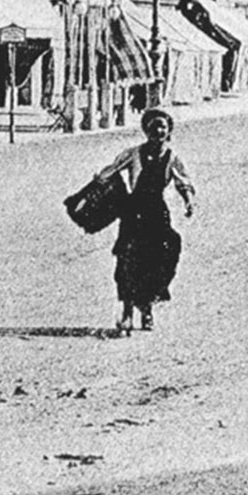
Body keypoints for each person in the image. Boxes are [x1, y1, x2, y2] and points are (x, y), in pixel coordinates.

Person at [97, 107, 196, 335]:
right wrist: (101, 182)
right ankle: (127, 312)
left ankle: (147, 307)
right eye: (153, 127)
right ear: (146, 131)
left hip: (157, 215)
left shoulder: (172, 158)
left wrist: (188, 202)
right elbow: (111, 171)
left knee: (160, 258)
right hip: (133, 213)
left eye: (162, 127)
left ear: (169, 131)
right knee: (128, 262)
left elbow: (183, 182)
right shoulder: (133, 154)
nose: (158, 131)